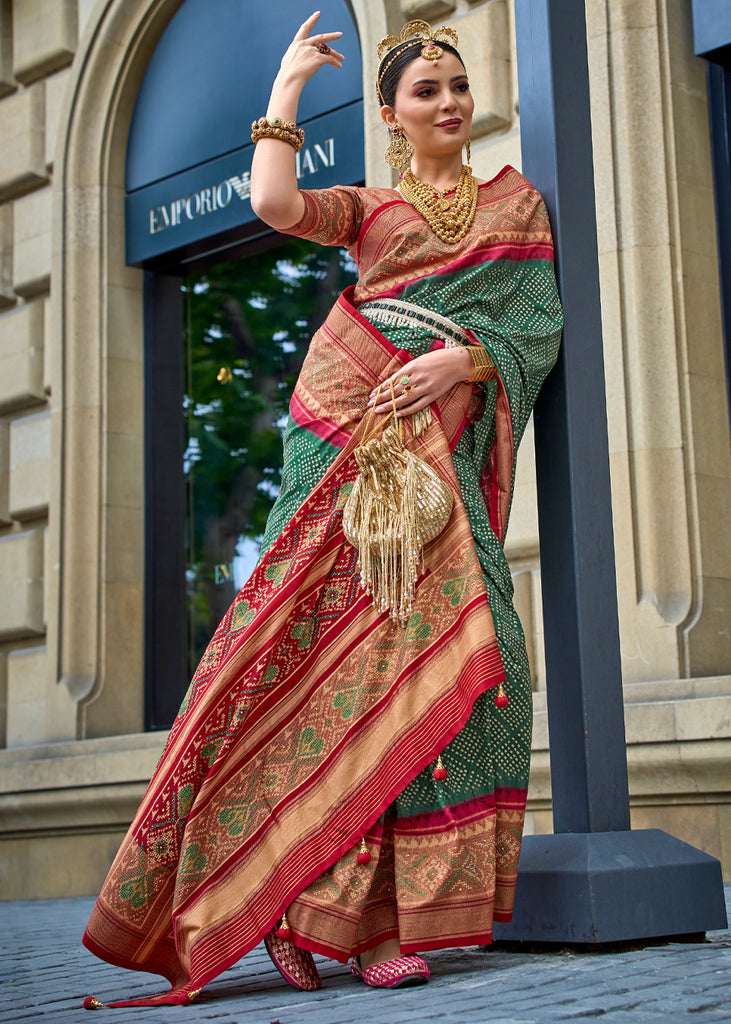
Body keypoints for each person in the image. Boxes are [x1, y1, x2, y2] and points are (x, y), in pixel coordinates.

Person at [81, 12, 562, 1009]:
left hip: (437, 444)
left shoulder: (516, 204)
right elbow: (269, 200)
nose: (447, 103)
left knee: (476, 658)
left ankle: (350, 905)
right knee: (320, 658)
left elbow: (535, 320)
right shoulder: (371, 206)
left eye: (457, 87)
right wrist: (288, 88)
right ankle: (330, 916)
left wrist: (464, 360)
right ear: (390, 113)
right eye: (424, 92)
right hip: (346, 430)